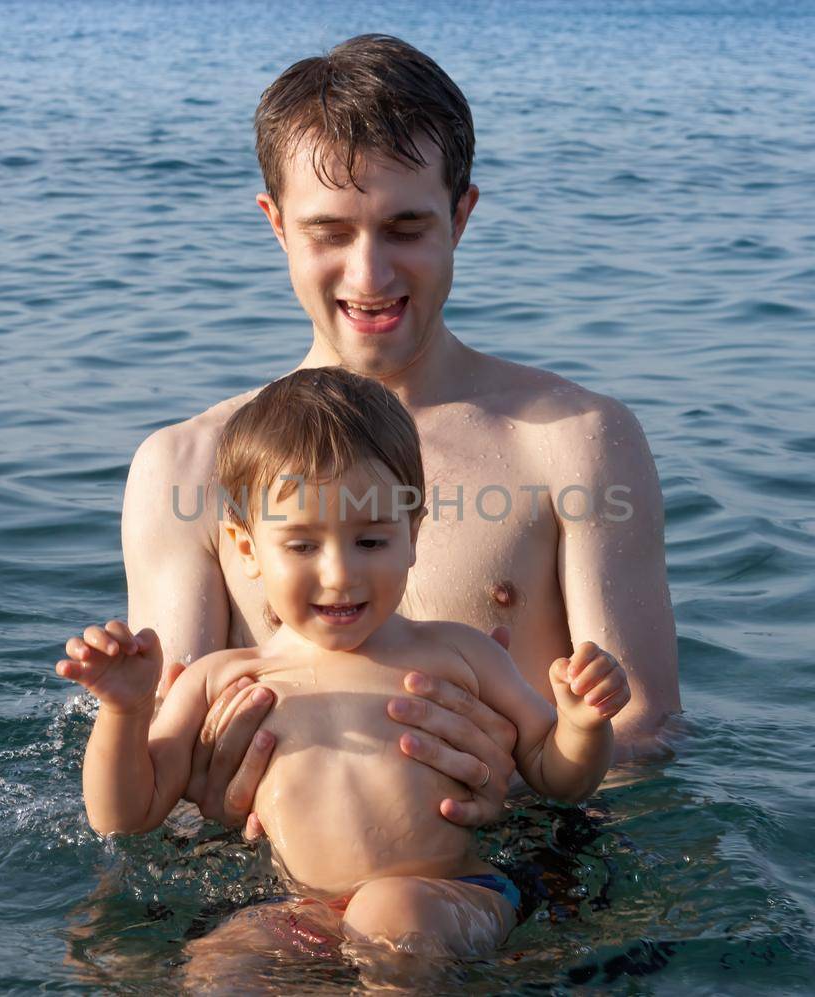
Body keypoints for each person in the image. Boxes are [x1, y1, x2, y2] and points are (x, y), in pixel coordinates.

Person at [59, 32, 678, 845]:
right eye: (330, 233)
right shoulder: (186, 466)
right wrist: (207, 790)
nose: (370, 276)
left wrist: (514, 779)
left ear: (462, 214)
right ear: (276, 225)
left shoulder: (576, 442)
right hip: (266, 877)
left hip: (523, 867)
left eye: (406, 227)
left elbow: (647, 736)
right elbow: (160, 768)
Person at [57, 367, 630, 965]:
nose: (340, 574)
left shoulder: (462, 653)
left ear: (413, 532)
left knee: (389, 913)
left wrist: (583, 724)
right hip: (301, 911)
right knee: (220, 962)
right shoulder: (221, 679)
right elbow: (124, 815)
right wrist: (123, 712)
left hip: (454, 896)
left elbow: (560, 777)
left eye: (371, 542)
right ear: (247, 548)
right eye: (302, 545)